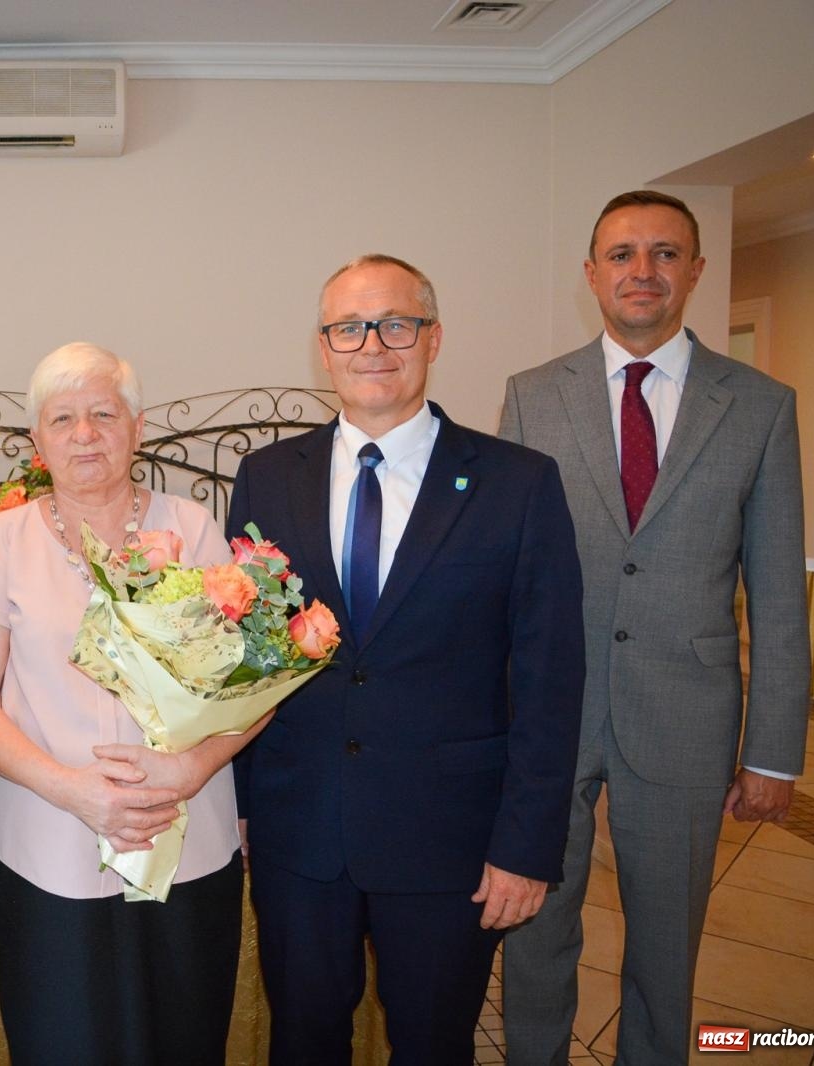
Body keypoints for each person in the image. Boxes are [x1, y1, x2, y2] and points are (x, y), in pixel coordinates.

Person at [226, 255, 585, 1064]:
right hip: (299, 831)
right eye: (349, 327)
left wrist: (526, 846)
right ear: (324, 348)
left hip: (449, 841)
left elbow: (550, 680)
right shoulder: (266, 479)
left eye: (397, 324)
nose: (373, 345)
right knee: (303, 1039)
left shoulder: (518, 484)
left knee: (432, 1045)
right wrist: (241, 803)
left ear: (433, 338)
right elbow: (245, 660)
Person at [499, 190, 810, 1064]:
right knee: (534, 931)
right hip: (548, 716)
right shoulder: (532, 396)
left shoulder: (759, 405)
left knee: (667, 947)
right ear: (592, 273)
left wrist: (773, 752)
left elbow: (779, 591)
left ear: (697, 271)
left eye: (666, 254)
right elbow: (504, 573)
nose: (644, 272)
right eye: (624, 253)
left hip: (686, 716)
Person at [0, 342, 258, 1065]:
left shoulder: (194, 529)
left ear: (138, 427)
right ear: (37, 441)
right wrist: (76, 793)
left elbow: (253, 690)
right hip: (49, 847)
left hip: (185, 839)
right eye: (63, 418)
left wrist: (188, 771)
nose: (84, 434)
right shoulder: (4, 541)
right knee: (64, 1040)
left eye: (102, 414)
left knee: (184, 1036)